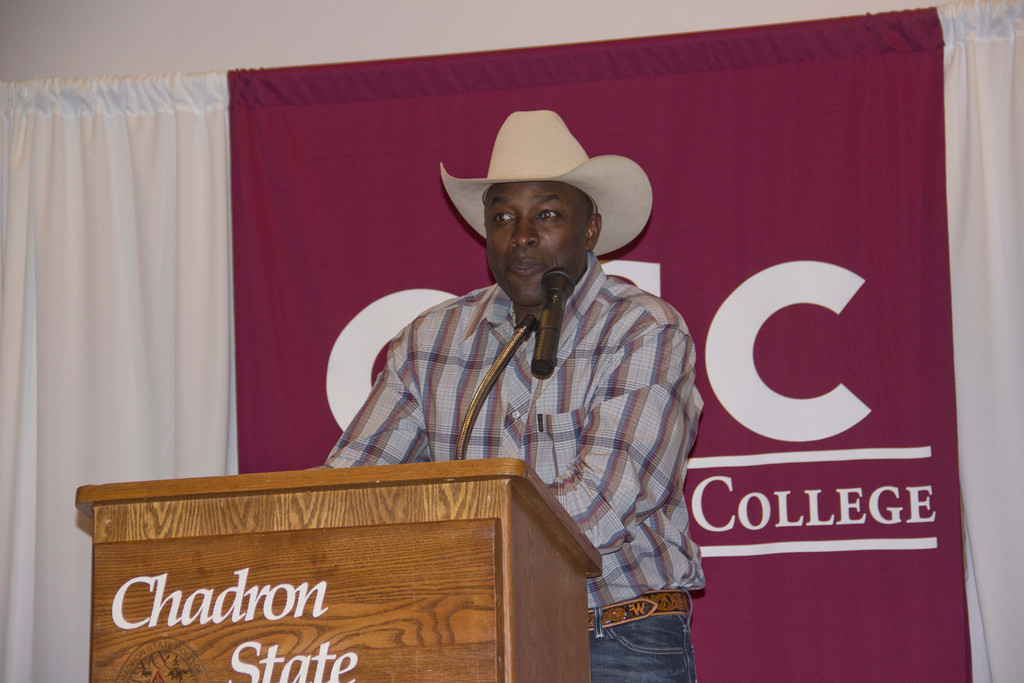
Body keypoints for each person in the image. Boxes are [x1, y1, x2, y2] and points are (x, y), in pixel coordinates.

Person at [322, 110, 704, 682]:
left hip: (616, 639)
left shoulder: (643, 329)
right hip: (467, 639)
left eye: (547, 215)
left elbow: (603, 503)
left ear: (590, 229)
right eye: (503, 217)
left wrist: (451, 551)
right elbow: (349, 488)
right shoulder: (432, 339)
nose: (522, 235)